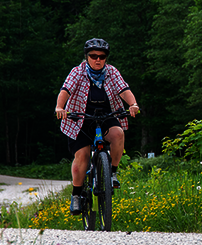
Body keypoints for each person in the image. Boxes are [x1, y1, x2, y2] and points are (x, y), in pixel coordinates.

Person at [55, 38, 139, 215]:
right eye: (93, 56)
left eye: (102, 56)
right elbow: (66, 90)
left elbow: (123, 89)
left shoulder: (112, 72)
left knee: (118, 134)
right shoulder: (78, 72)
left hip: (106, 116)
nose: (98, 59)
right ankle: (76, 195)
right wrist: (60, 107)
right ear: (87, 57)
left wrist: (133, 104)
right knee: (82, 155)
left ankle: (112, 173)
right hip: (81, 118)